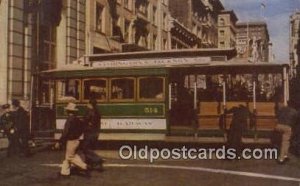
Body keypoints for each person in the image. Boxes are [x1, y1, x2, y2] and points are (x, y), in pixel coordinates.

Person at [55, 102, 89, 177]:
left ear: (68, 111)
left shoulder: (69, 120)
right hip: (77, 140)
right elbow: (83, 128)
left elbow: (65, 132)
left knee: (70, 157)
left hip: (71, 141)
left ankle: (84, 166)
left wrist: (59, 142)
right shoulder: (77, 119)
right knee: (68, 156)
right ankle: (64, 172)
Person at [81, 99, 104, 171]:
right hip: (95, 133)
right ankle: (89, 164)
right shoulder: (97, 112)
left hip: (89, 132)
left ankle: (98, 159)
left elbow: (85, 121)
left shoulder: (90, 112)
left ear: (90, 104)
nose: (86, 105)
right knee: (89, 148)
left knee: (85, 148)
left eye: (88, 103)